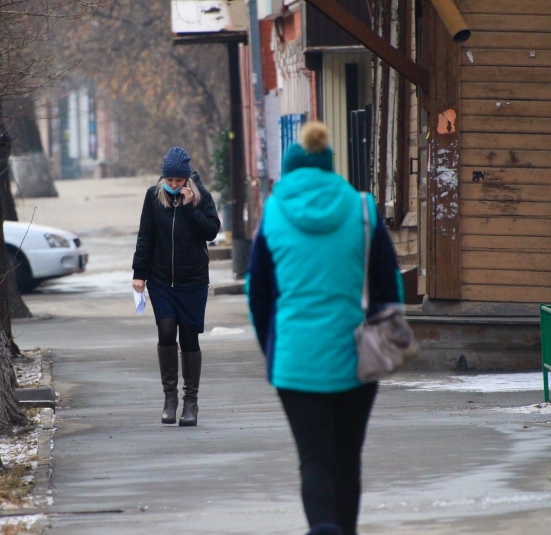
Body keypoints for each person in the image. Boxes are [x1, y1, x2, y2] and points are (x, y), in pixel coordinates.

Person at [247, 122, 403, 535]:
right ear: (332, 167)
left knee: (315, 460)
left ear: (289, 171)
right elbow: (391, 285)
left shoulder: (273, 214)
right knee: (348, 459)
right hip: (356, 358)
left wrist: (273, 349)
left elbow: (257, 294)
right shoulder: (364, 210)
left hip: (295, 362)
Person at [132, 147, 221, 427]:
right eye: (168, 180)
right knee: (167, 328)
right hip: (161, 280)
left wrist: (190, 208)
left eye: (177, 181)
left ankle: (190, 402)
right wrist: (139, 274)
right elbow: (145, 235)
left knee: (190, 338)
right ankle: (169, 399)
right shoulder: (153, 196)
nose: (172, 185)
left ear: (186, 179)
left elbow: (211, 231)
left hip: (193, 281)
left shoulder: (201, 196)